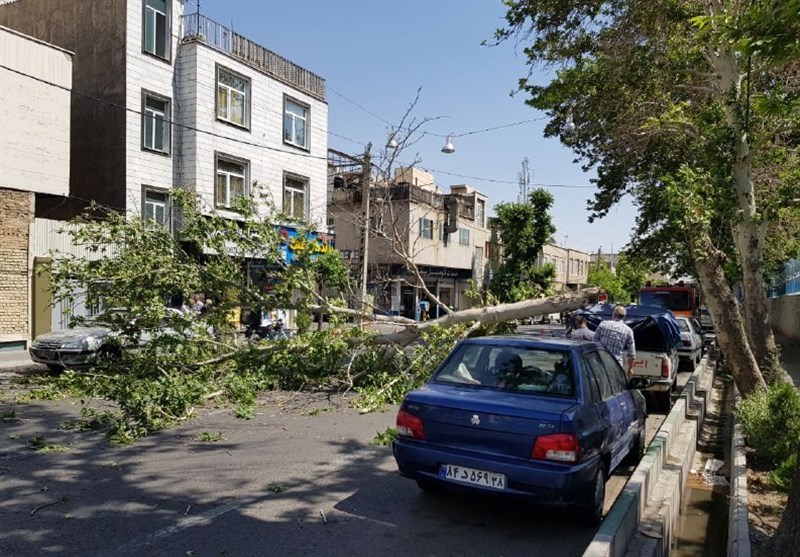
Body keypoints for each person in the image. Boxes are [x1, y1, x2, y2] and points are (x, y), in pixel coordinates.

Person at [594, 305, 636, 377]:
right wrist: (630, 369)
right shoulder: (628, 331)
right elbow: (631, 353)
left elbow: (594, 342)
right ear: (624, 317)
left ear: (614, 314)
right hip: (617, 365)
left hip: (601, 361)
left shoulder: (603, 324)